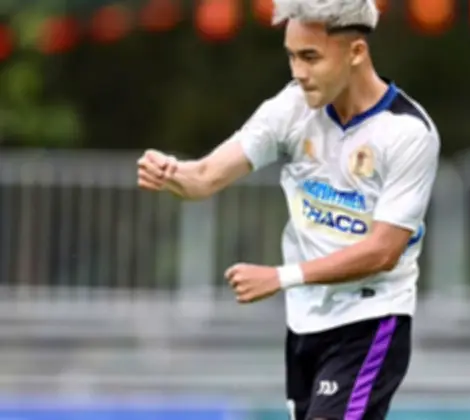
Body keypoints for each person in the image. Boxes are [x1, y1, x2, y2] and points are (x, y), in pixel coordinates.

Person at [136, 1, 440, 419]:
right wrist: (172, 173)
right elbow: (204, 177)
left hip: (370, 317)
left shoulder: (408, 132)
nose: (298, 71)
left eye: (310, 57)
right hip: (305, 322)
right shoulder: (291, 108)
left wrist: (281, 277)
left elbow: (383, 252)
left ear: (356, 52)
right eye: (292, 56)